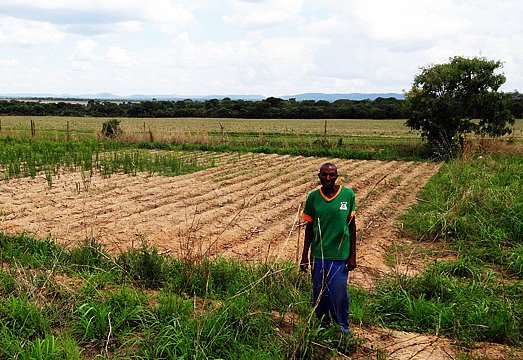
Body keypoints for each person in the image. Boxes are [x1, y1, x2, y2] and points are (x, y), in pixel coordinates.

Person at [300, 162, 357, 333]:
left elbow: (352, 227)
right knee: (319, 294)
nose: (328, 178)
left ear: (337, 176)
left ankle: (342, 328)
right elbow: (309, 228)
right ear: (319, 176)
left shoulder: (348, 195)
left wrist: (352, 255)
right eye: (324, 175)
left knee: (338, 294)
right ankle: (323, 326)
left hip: (340, 255)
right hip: (319, 254)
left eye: (331, 175)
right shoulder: (313, 197)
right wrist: (305, 255)